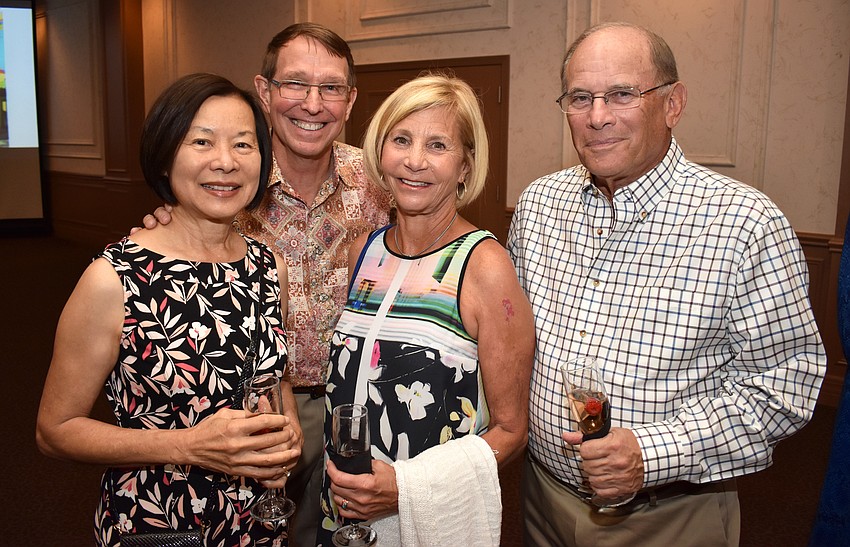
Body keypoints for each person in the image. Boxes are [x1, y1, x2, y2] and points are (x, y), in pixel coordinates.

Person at [507, 22, 827, 546]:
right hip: (542, 497)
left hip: (667, 516)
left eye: (622, 94)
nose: (598, 116)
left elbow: (784, 387)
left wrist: (653, 453)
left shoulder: (745, 224)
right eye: (580, 97)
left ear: (673, 104)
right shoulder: (540, 204)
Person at [143, 23, 393, 545]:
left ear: (349, 101)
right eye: (295, 84)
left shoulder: (377, 181)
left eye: (330, 89)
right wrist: (162, 220)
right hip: (250, 405)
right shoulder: (227, 180)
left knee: (339, 532)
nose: (311, 103)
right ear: (265, 92)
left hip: (356, 398)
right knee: (251, 532)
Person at [36, 73, 301, 545]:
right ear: (164, 155)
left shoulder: (269, 266)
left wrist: (287, 439)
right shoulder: (114, 278)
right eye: (202, 141)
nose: (225, 162)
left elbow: (273, 378)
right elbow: (55, 431)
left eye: (243, 144)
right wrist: (188, 446)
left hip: (257, 524)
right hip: (158, 523)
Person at [317, 73, 535, 546]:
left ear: (464, 166)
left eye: (437, 145)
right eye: (401, 140)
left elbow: (512, 431)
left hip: (426, 522)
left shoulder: (484, 265)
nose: (414, 161)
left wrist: (404, 490)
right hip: (344, 510)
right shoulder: (363, 251)